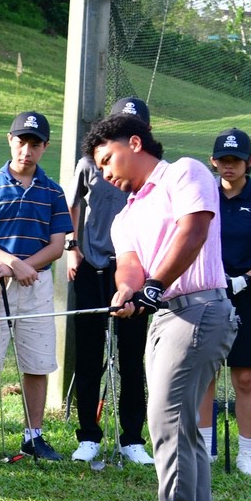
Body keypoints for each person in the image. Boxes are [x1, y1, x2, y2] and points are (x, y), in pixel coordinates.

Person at [84, 114, 237, 501]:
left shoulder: (184, 173)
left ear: (135, 143)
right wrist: (128, 290)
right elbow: (129, 266)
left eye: (108, 159)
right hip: (165, 318)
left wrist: (154, 284)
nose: (106, 173)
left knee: (166, 421)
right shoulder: (125, 215)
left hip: (201, 308)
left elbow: (194, 230)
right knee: (181, 427)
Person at [0, 111, 72, 462]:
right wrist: (11, 263)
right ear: (10, 140)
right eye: (22, 142)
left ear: (45, 147)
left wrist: (25, 267)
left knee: (36, 363)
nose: (27, 150)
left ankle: (32, 435)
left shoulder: (53, 191)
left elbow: (57, 245)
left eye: (35, 144)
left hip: (36, 284)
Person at [65, 97, 153, 466]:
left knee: (133, 359)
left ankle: (132, 438)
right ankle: (88, 435)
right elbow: (69, 206)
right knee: (88, 356)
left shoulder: (151, 172)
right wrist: (72, 247)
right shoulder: (90, 164)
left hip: (134, 272)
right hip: (92, 267)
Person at [201, 127, 251, 475]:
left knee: (244, 377)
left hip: (246, 291)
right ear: (213, 162)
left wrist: (245, 279)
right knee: (206, 373)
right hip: (209, 290)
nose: (229, 167)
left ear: (250, 162)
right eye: (223, 160)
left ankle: (247, 453)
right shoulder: (203, 195)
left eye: (236, 160)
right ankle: (205, 449)